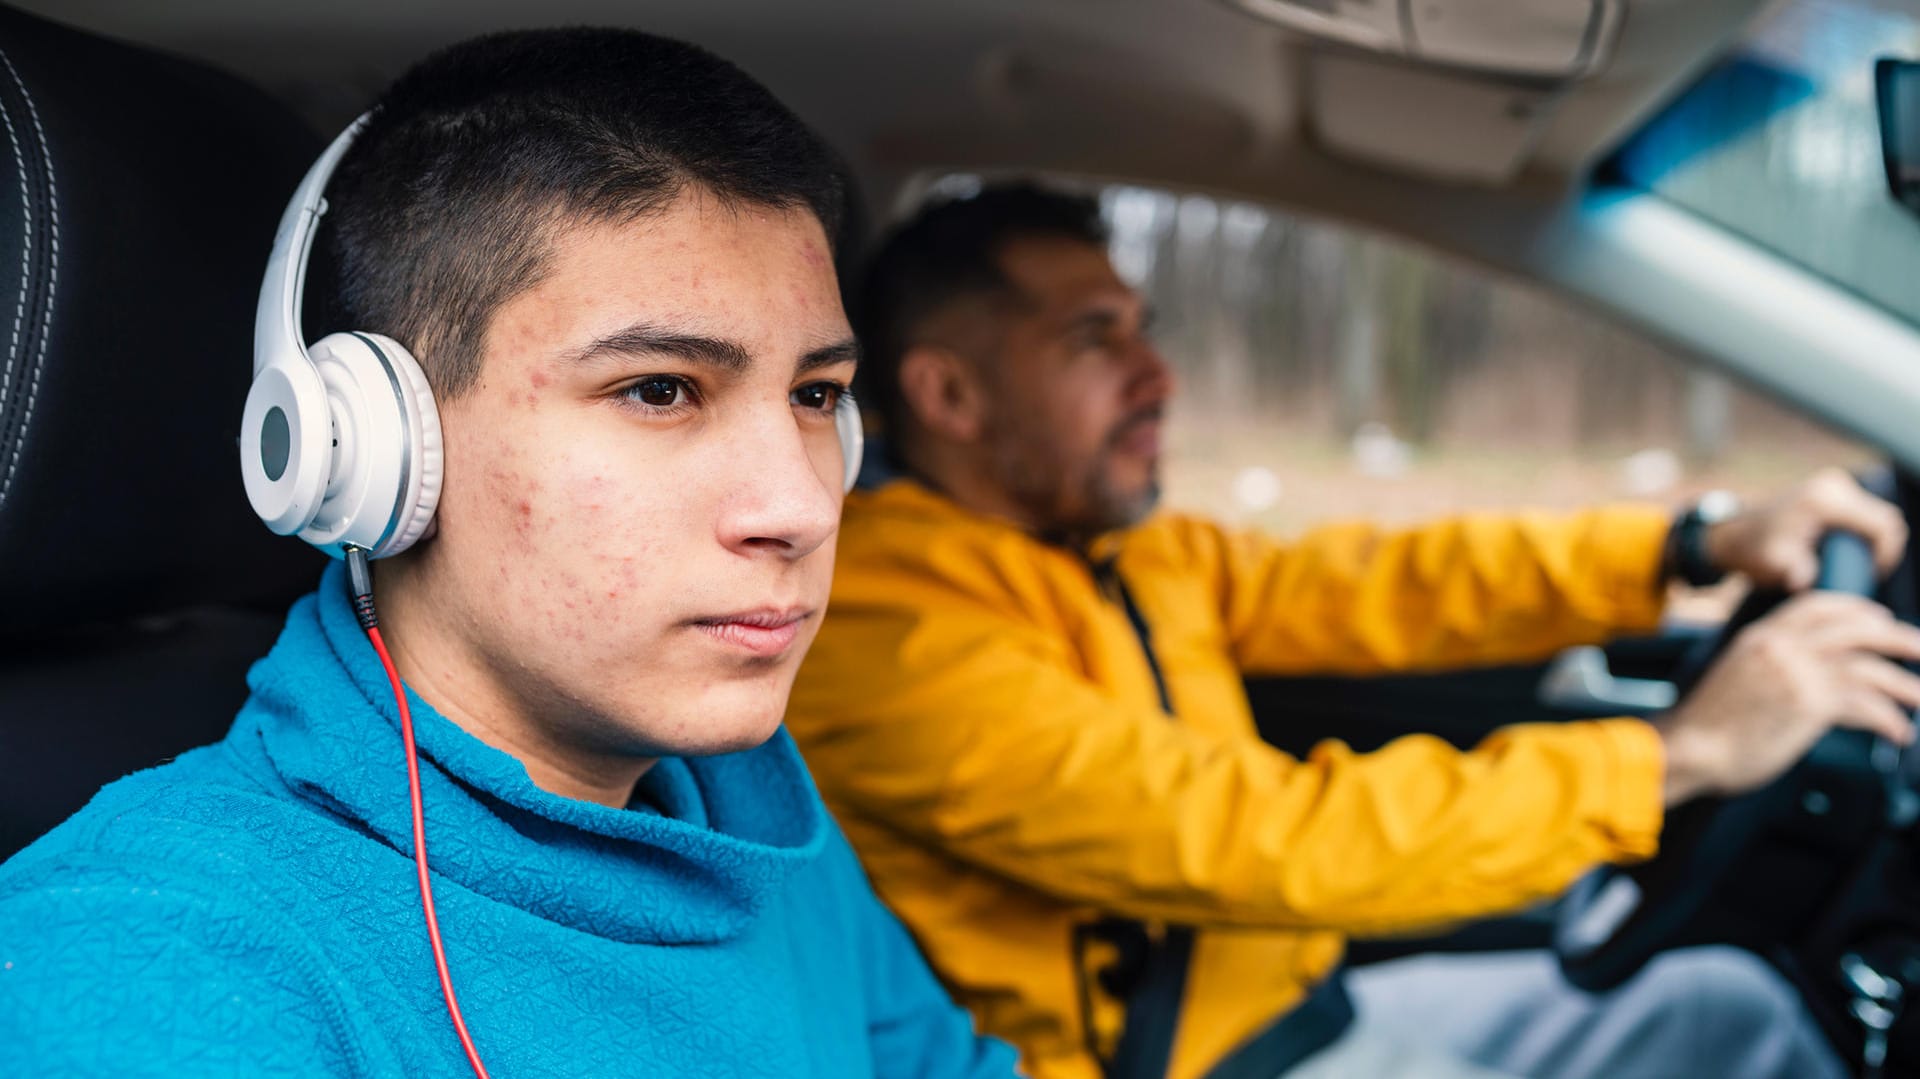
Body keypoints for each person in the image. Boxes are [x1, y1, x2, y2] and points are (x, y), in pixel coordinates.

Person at [0, 30, 1017, 1078]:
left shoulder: (752, 816)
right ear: (375, 446)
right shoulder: (151, 965)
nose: (800, 505)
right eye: (659, 388)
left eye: (816, 396)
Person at [785, 182, 1920, 1079]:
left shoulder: (1113, 550)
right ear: (950, 396)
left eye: (1145, 329)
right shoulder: (884, 632)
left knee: (1735, 1011)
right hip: (1171, 1063)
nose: (1158, 373)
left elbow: (1389, 584)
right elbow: (1263, 838)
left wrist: (1689, 545)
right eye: (1095, 339)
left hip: (1292, 1010)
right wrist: (1684, 753)